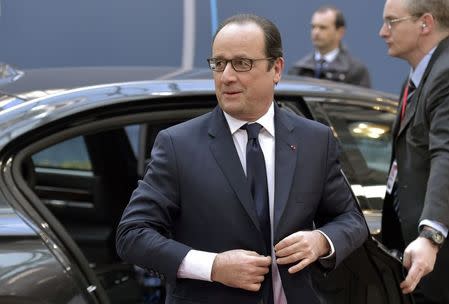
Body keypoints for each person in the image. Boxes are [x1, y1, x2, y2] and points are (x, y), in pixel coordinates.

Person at [116, 13, 367, 304]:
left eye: (242, 63)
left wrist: (320, 241)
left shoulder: (314, 140)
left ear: (277, 69)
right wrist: (213, 267)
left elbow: (350, 218)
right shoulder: (177, 145)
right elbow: (132, 234)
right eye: (219, 63)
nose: (227, 76)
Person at [379, 0, 449, 303]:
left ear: (425, 24)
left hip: (438, 257)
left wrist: (431, 236)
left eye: (392, 21)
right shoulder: (422, 76)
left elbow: (446, 153)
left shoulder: (445, 75)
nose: (383, 32)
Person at [289, 5, 371, 88]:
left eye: (323, 28)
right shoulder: (298, 69)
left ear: (340, 32)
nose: (316, 32)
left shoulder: (356, 71)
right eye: (313, 27)